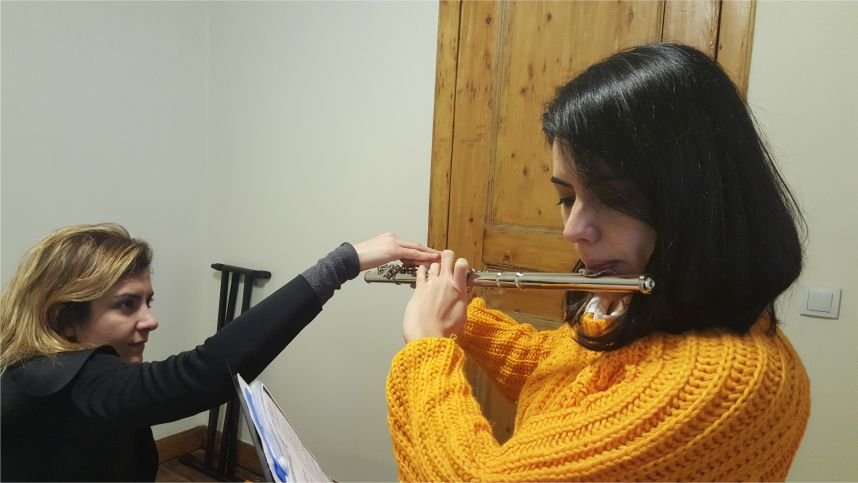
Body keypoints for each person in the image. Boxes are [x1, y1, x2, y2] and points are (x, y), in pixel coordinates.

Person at [386, 43, 810, 481]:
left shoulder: (716, 383)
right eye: (567, 197)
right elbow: (562, 375)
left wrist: (426, 348)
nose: (573, 230)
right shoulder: (649, 311)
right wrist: (466, 320)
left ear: (701, 199)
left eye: (613, 196)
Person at [0, 223, 439, 481]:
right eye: (126, 305)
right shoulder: (51, 381)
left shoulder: (76, 378)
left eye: (147, 302)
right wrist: (343, 263)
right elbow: (202, 375)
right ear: (63, 318)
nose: (150, 320)